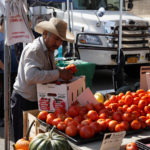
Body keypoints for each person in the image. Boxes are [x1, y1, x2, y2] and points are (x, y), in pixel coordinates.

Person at [11, 17, 74, 142]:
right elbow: (31, 76)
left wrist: (61, 72)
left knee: (34, 141)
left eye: (61, 40)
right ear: (45, 34)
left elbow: (47, 71)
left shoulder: (49, 49)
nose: (59, 44)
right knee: (22, 141)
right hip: (24, 101)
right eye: (56, 39)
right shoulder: (35, 50)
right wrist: (59, 73)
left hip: (36, 100)